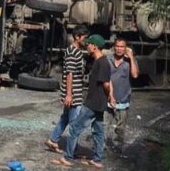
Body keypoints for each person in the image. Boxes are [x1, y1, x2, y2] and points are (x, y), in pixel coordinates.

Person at [51, 34, 114, 169]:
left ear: (95, 46)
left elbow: (107, 84)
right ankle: (97, 160)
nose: (87, 46)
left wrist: (110, 96)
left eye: (89, 44)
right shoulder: (101, 61)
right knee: (98, 131)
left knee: (74, 128)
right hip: (99, 103)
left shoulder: (102, 62)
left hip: (93, 103)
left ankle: (67, 157)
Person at [45, 25, 88, 153]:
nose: (86, 40)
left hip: (75, 92)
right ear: (77, 37)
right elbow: (69, 73)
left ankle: (53, 140)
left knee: (65, 118)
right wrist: (69, 94)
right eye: (84, 38)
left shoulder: (77, 51)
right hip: (73, 93)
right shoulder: (72, 52)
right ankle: (71, 150)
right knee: (75, 122)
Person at [106, 38, 139, 150]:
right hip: (108, 97)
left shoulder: (129, 62)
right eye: (118, 46)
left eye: (122, 47)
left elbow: (134, 75)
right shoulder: (108, 59)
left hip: (123, 98)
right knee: (104, 124)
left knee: (120, 127)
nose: (119, 49)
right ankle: (101, 145)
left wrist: (131, 57)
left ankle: (118, 147)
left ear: (126, 48)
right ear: (114, 47)